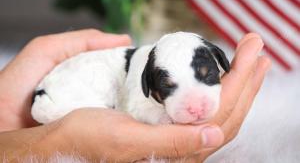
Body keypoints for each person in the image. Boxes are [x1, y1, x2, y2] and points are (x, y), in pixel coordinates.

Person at [0, 29, 271, 162]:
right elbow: (136, 110)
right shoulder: (141, 75)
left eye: (206, 76)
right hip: (60, 96)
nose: (195, 105)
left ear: (221, 62)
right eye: (169, 87)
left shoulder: (156, 65)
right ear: (149, 85)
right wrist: (51, 140)